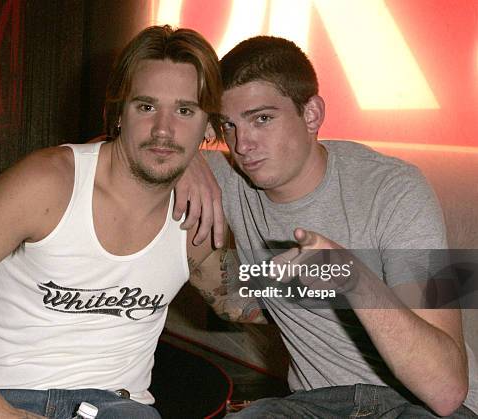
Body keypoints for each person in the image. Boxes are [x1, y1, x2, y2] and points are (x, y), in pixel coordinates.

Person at [0, 25, 223, 419]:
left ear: (209, 126)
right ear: (118, 114)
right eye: (146, 107)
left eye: (185, 111)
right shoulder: (47, 185)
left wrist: (312, 263)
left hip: (117, 407)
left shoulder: (197, 220)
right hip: (0, 398)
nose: (163, 130)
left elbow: (246, 302)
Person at [188, 36, 478, 417]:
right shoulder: (229, 178)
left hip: (417, 405)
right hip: (315, 404)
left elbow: (446, 389)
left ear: (311, 115)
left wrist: (351, 277)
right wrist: (184, 158)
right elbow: (109, 153)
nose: (243, 144)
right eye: (229, 125)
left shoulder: (396, 189)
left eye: (262, 118)